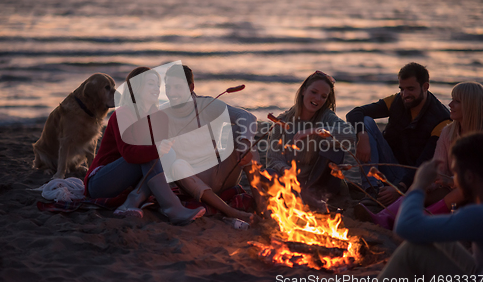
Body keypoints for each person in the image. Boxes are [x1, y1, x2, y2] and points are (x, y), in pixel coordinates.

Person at [356, 81, 483, 229]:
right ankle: (385, 217)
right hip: (450, 190)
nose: (450, 104)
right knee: (420, 186)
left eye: (457, 101)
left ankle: (417, 222)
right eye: (451, 99)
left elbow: (479, 179)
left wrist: (450, 181)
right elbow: (438, 167)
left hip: (477, 194)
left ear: (471, 105)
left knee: (460, 192)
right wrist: (430, 182)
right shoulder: (448, 132)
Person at [84, 67, 205, 224]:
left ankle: (132, 202)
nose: (156, 88)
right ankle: (172, 207)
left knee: (168, 154)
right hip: (101, 182)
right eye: (150, 84)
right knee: (152, 152)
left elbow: (159, 159)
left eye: (157, 84)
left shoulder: (158, 116)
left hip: (129, 182)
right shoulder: (122, 114)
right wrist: (156, 149)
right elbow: (129, 153)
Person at [370, 133, 483, 282]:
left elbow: (405, 228)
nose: (455, 180)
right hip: (479, 272)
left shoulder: (478, 214)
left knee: (412, 251)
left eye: (456, 173)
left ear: (470, 177)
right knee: (440, 237)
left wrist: (418, 185)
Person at [160, 64, 263, 223]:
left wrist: (244, 141)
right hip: (191, 183)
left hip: (221, 174)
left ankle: (261, 202)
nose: (172, 93)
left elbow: (247, 117)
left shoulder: (207, 105)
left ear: (191, 87)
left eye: (178, 87)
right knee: (174, 162)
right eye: (169, 87)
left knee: (242, 138)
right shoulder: (162, 115)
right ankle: (230, 211)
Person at [346, 62, 450, 205]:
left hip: (411, 178)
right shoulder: (397, 100)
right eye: (402, 89)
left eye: (410, 89)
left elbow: (425, 163)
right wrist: (362, 136)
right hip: (388, 166)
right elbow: (355, 113)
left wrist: (399, 187)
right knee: (366, 121)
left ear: (425, 86)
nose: (405, 94)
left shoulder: (441, 120)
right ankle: (371, 190)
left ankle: (380, 196)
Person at [266, 70, 359, 210]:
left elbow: (350, 135)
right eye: (314, 92)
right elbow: (273, 159)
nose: (317, 99)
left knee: (334, 146)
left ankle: (317, 199)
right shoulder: (283, 121)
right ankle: (298, 200)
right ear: (303, 91)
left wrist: (314, 131)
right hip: (290, 183)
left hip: (320, 186)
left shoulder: (326, 117)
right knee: (267, 174)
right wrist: (288, 173)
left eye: (323, 96)